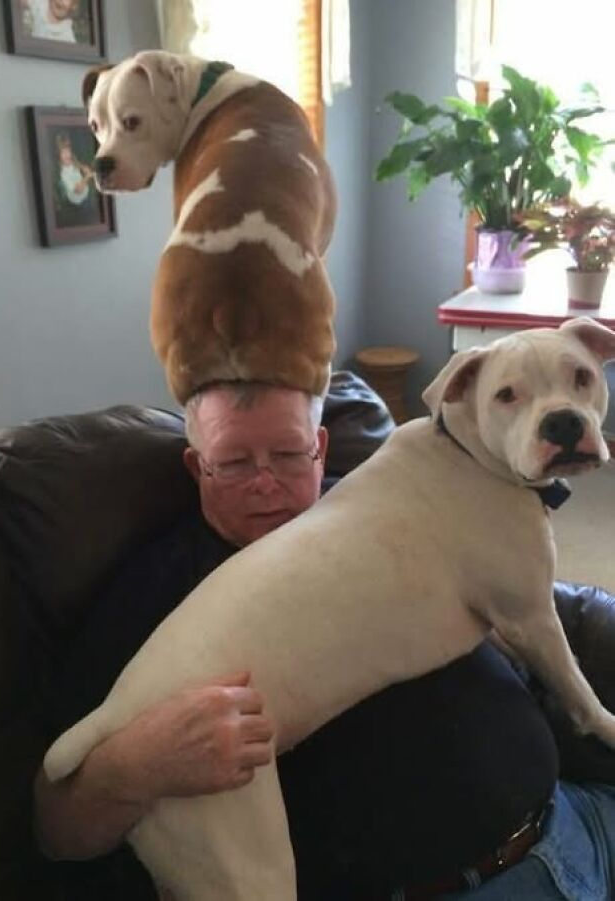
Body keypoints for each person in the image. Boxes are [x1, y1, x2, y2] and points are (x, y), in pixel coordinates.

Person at [35, 382, 615, 900]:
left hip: (578, 815)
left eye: (288, 454)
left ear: (320, 447)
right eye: (234, 462)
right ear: (196, 468)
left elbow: (522, 606)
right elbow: (56, 829)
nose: (266, 482)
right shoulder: (159, 588)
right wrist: (135, 764)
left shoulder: (405, 491)